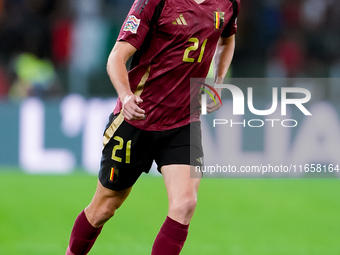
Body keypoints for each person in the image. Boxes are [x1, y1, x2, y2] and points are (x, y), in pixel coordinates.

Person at [66, 0, 240, 254]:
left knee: (185, 204)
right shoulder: (154, 2)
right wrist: (126, 97)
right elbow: (117, 57)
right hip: (138, 119)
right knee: (104, 207)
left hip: (183, 121)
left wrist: (218, 81)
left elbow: (227, 40)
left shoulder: (229, 3)